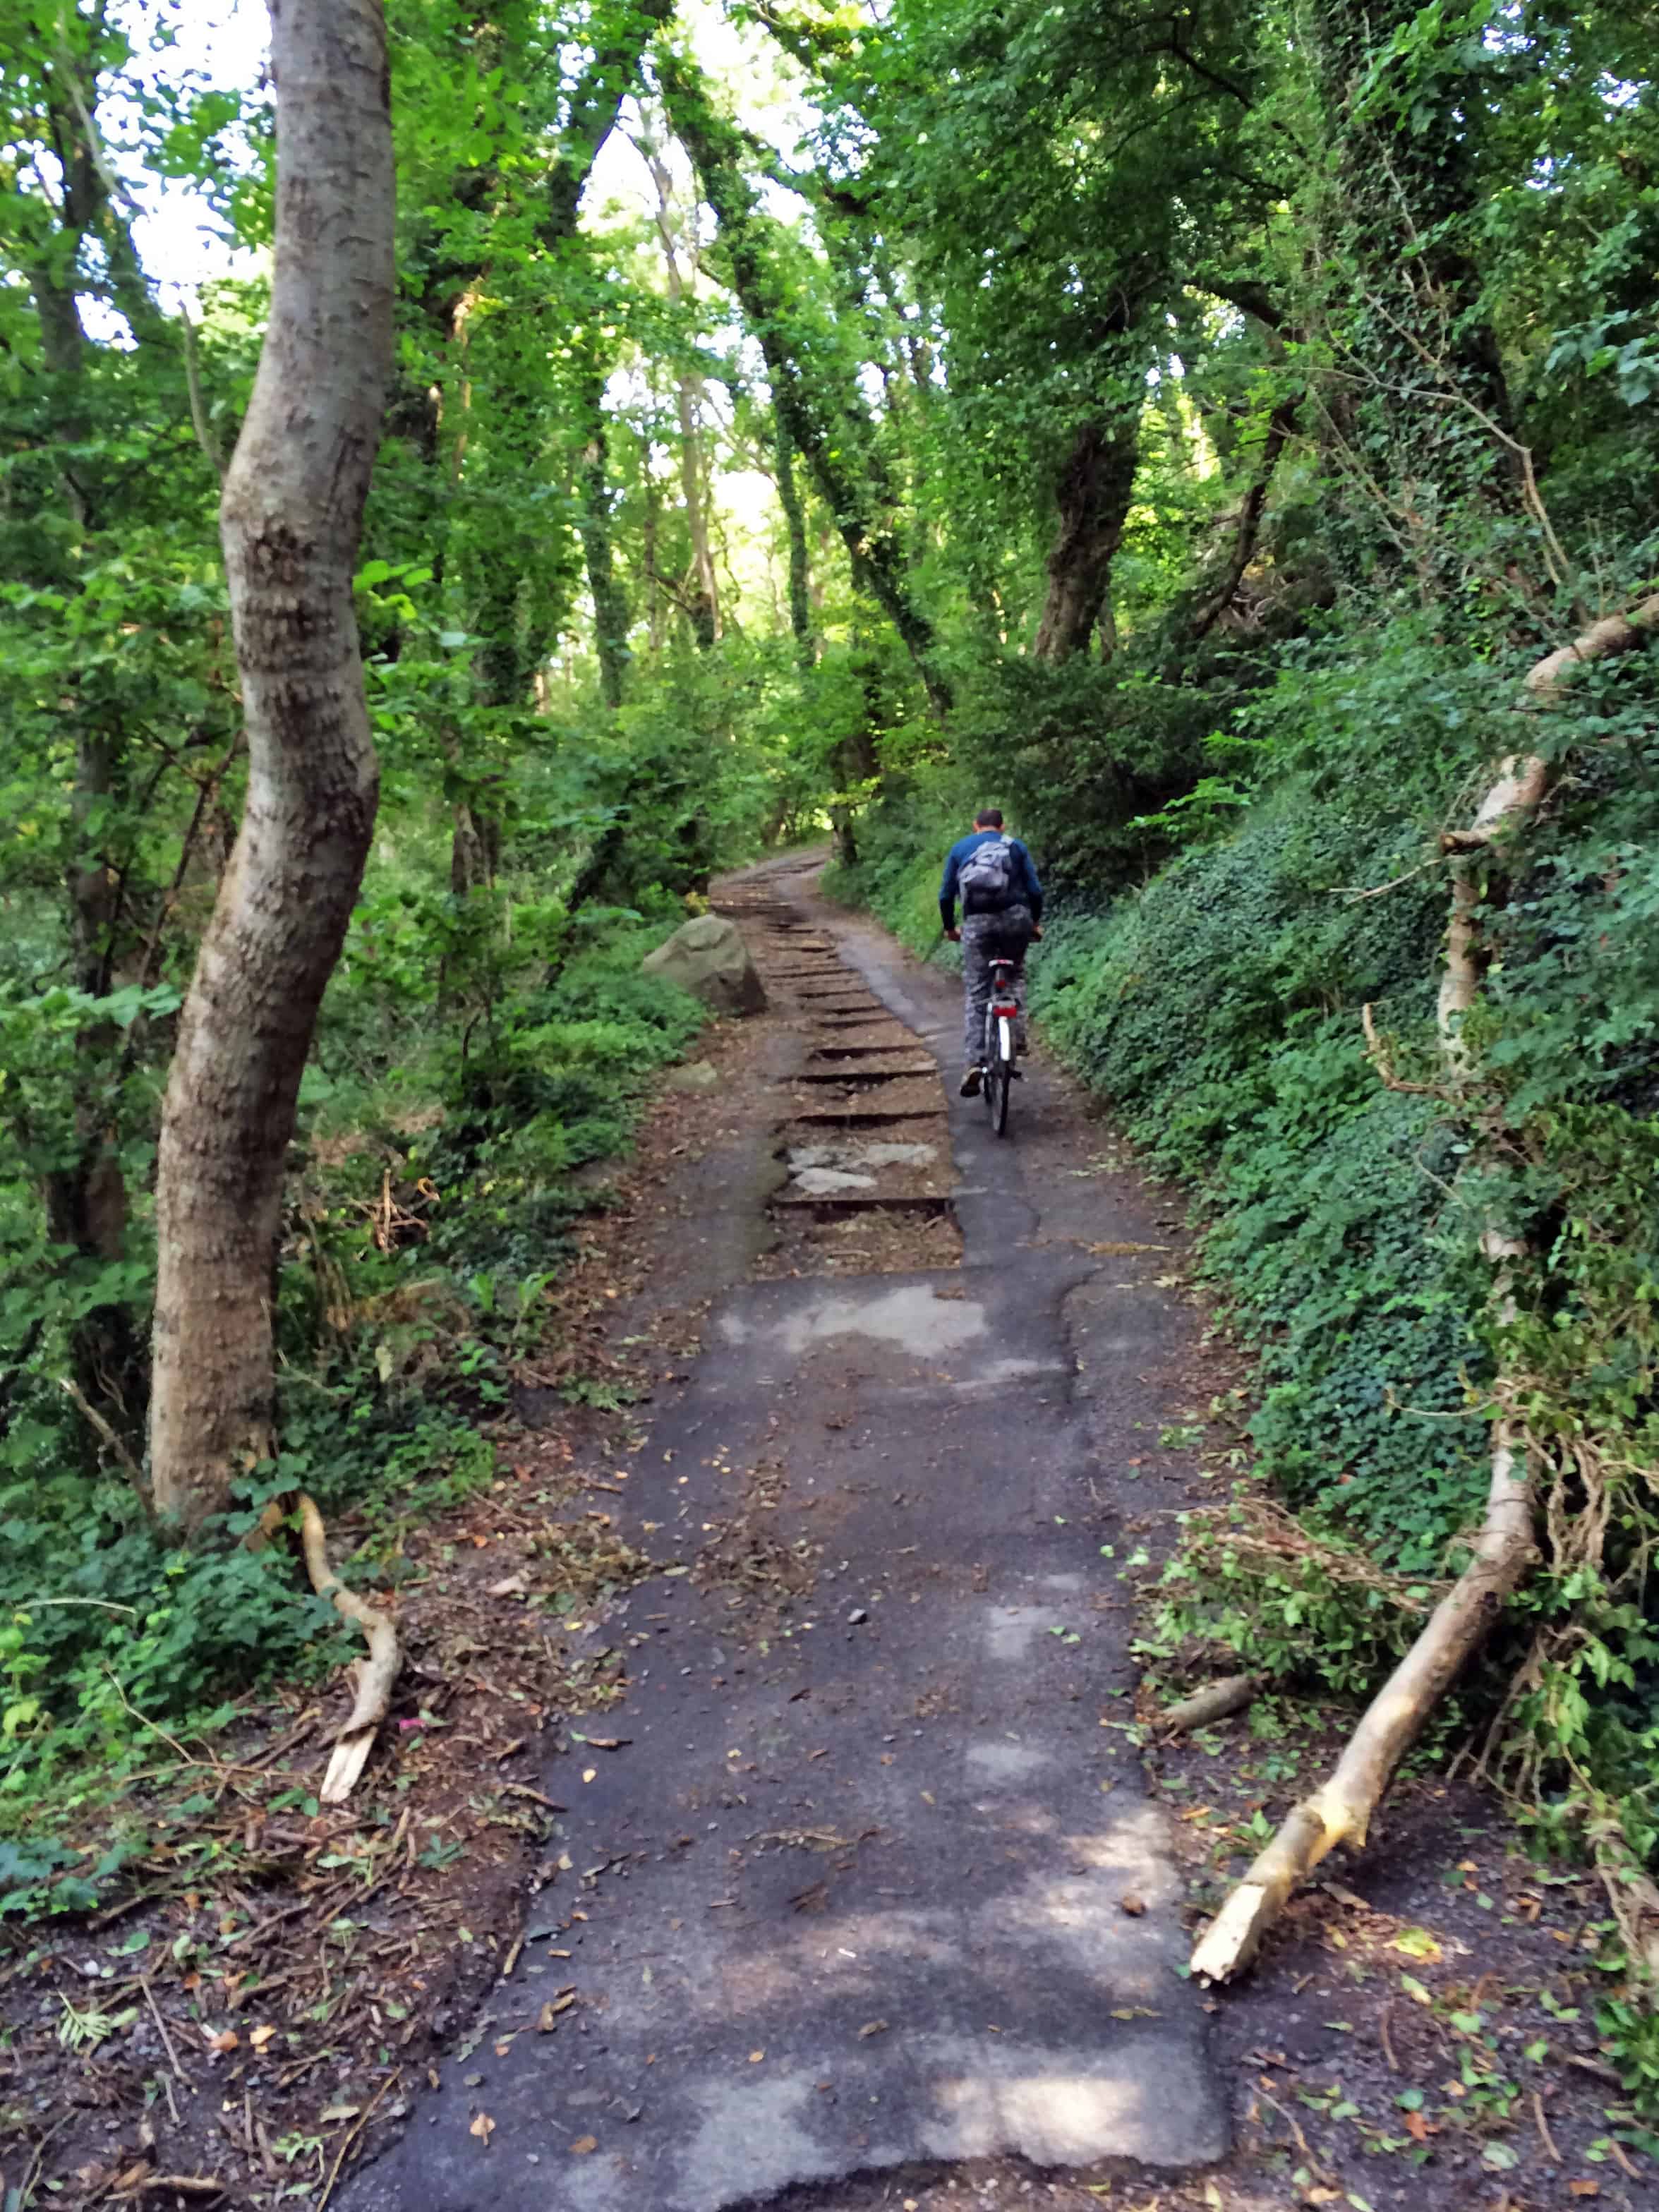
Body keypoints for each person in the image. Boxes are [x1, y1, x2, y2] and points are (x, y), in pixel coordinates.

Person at [939, 807, 1043, 1096]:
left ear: (976, 826)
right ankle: (1017, 1037)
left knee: (977, 991)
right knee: (1015, 974)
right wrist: (1033, 923)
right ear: (1002, 826)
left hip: (977, 924)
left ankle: (975, 1061)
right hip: (1016, 919)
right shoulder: (1015, 846)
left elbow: (946, 895)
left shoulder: (961, 848)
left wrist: (950, 929)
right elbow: (1035, 891)